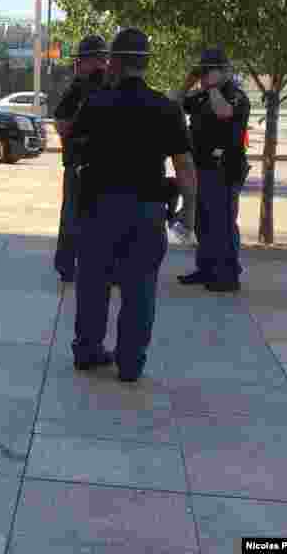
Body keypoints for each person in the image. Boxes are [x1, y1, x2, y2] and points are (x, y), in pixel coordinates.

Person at [68, 28, 196, 382]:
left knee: (94, 284)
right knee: (140, 289)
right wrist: (189, 211)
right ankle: (130, 363)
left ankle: (89, 350)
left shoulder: (97, 102)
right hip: (146, 211)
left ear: (116, 63)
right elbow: (184, 165)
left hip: (99, 208)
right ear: (145, 64)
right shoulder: (166, 108)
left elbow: (71, 138)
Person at [171, 48, 250, 292]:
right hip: (201, 168)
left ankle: (227, 275)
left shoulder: (235, 96)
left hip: (224, 170)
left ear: (225, 71)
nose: (205, 76)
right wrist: (188, 81)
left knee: (222, 223)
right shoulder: (202, 96)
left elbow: (224, 112)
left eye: (210, 71)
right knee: (203, 222)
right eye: (203, 71)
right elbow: (173, 103)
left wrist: (214, 86)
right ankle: (206, 269)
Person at [52, 34, 109, 285]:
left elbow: (63, 126)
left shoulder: (95, 86)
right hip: (83, 163)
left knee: (81, 217)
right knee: (78, 217)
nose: (77, 66)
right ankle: (69, 266)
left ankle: (74, 266)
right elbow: (62, 124)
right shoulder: (80, 86)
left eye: (81, 61)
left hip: (93, 165)